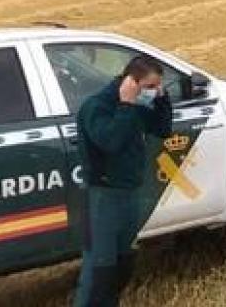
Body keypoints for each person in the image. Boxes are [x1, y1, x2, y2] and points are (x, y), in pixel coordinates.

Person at [71, 54, 173, 307]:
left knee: (122, 266)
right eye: (149, 87)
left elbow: (163, 129)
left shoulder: (137, 106)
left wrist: (162, 99)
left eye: (157, 86)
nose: (153, 91)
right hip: (102, 197)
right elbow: (111, 142)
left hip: (129, 194)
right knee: (100, 272)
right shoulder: (97, 107)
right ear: (130, 82)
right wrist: (126, 107)